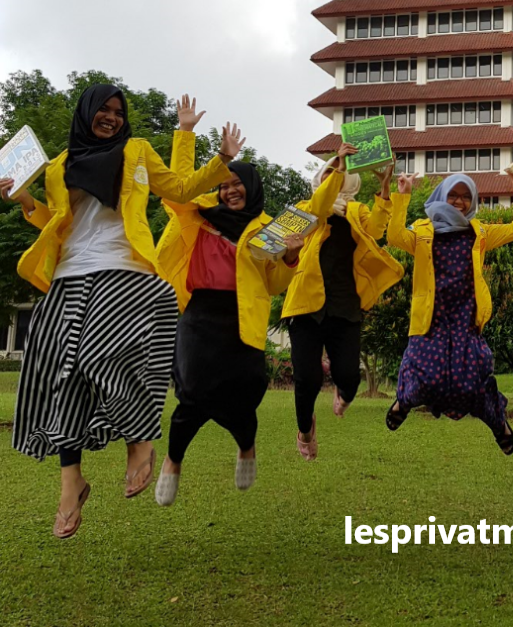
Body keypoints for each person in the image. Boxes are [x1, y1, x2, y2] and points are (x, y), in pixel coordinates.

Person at [1, 88, 240, 538]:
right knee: (61, 376)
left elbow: (182, 190)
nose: (111, 118)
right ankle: (71, 483)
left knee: (97, 356)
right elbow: (59, 219)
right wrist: (25, 201)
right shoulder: (58, 165)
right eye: (103, 111)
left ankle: (139, 439)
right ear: (87, 113)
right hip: (69, 274)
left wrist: (216, 155)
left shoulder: (137, 151)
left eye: (118, 112)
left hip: (125, 269)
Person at [153, 116, 305, 507]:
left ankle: (246, 446)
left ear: (251, 187)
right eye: (223, 186)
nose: (229, 191)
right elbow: (178, 186)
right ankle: (173, 461)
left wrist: (290, 255)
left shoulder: (269, 228)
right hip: (200, 314)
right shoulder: (197, 214)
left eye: (237, 184)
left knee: (246, 391)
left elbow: (273, 284)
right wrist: (185, 133)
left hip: (243, 320)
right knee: (193, 390)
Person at [385, 171, 513, 453]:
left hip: (466, 317)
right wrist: (402, 195)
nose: (459, 202)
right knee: (425, 374)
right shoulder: (423, 232)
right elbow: (394, 235)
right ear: (442, 195)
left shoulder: (479, 233)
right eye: (453, 195)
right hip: (432, 317)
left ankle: (497, 421)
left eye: (466, 197)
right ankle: (403, 402)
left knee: (472, 381)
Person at [280, 147, 403, 460]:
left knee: (349, 377)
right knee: (307, 379)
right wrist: (339, 165)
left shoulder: (357, 211)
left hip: (346, 305)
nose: (335, 172)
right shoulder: (304, 209)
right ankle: (305, 431)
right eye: (330, 168)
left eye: (340, 169)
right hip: (305, 306)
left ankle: (343, 392)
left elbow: (376, 230)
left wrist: (385, 191)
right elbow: (320, 207)